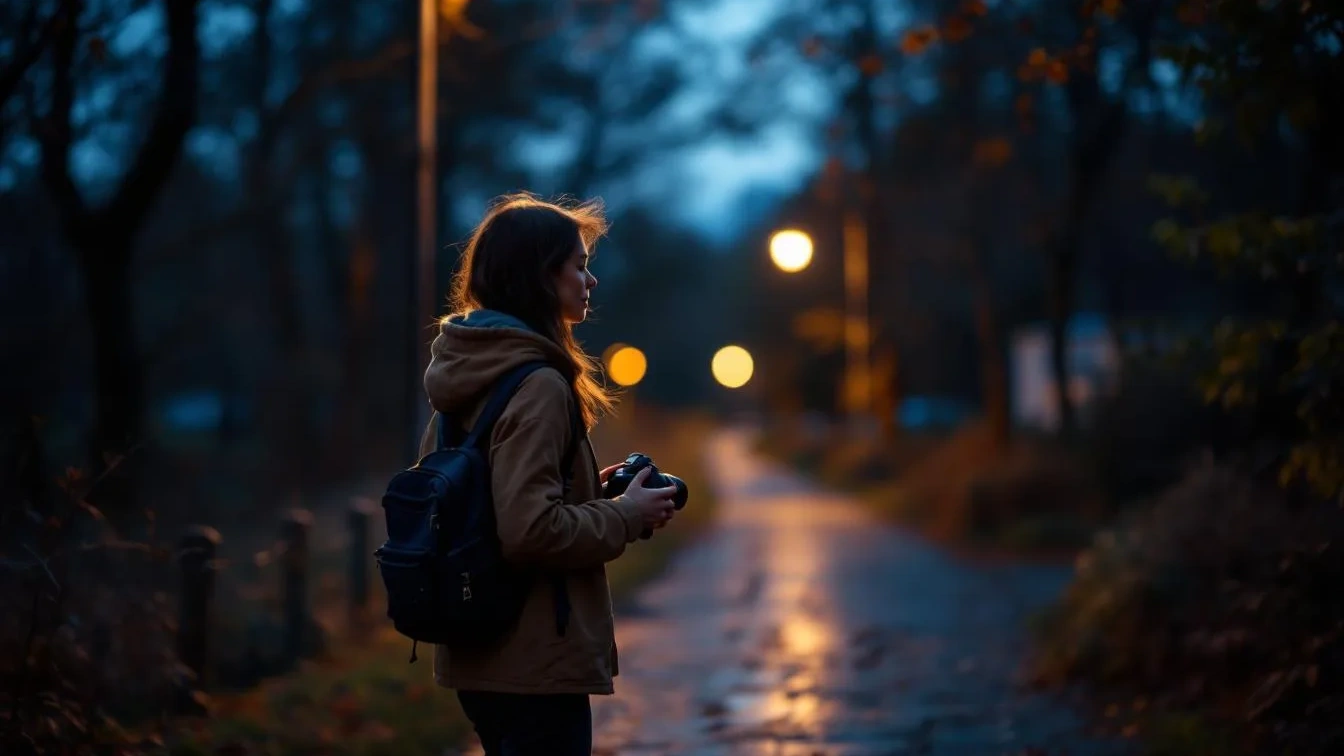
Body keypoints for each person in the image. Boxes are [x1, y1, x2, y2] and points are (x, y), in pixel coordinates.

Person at [418, 193, 679, 755]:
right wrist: (626, 515)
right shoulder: (537, 383)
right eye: (580, 265)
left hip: (478, 649)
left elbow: (482, 492)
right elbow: (530, 529)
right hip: (534, 658)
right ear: (541, 276)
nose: (592, 281)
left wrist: (589, 490)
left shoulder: (464, 368)